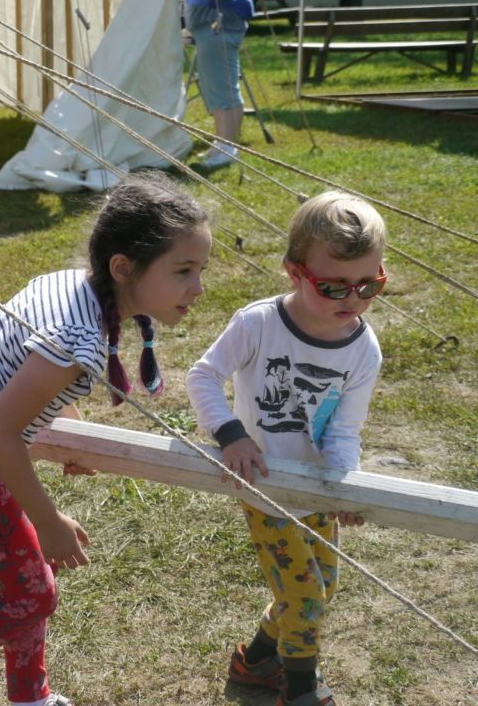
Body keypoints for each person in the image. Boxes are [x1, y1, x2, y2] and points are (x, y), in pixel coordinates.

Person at [0, 171, 211, 706]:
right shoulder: (78, 340)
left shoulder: (70, 284)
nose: (198, 288)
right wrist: (47, 523)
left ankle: (30, 696)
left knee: (29, 585)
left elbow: (27, 384)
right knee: (33, 593)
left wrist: (63, 434)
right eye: (184, 271)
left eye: (200, 270)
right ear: (124, 268)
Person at [186, 191, 387, 706]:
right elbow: (204, 377)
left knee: (322, 588)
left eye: (370, 284)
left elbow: (344, 430)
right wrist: (232, 435)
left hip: (316, 488)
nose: (353, 298)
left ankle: (254, 661)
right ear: (294, 272)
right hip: (266, 487)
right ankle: (299, 691)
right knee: (304, 601)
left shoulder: (363, 348)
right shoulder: (258, 324)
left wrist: (345, 485)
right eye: (334, 286)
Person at [180, 0, 253, 170]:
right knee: (216, 89)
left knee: (223, 91)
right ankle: (222, 142)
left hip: (217, 26)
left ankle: (227, 148)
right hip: (208, 29)